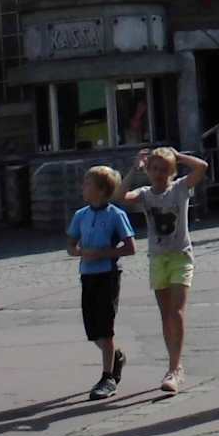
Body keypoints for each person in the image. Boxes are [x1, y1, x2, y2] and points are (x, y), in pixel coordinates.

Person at [126, 147, 206, 396]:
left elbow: (202, 167)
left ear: (172, 172)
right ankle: (174, 364)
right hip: (158, 259)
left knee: (177, 312)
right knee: (166, 315)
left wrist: (178, 157)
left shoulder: (180, 188)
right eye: (154, 169)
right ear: (148, 171)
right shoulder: (145, 194)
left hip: (181, 257)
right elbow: (120, 196)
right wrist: (134, 169)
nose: (159, 173)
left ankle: (174, 368)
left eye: (164, 169)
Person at [67, 164, 136, 399]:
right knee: (93, 330)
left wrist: (103, 253)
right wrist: (79, 252)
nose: (83, 187)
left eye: (88, 183)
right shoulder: (81, 215)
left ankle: (108, 377)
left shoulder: (116, 215)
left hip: (107, 275)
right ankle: (116, 356)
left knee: (105, 329)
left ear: (102, 190)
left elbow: (130, 248)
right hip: (87, 276)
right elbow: (71, 245)